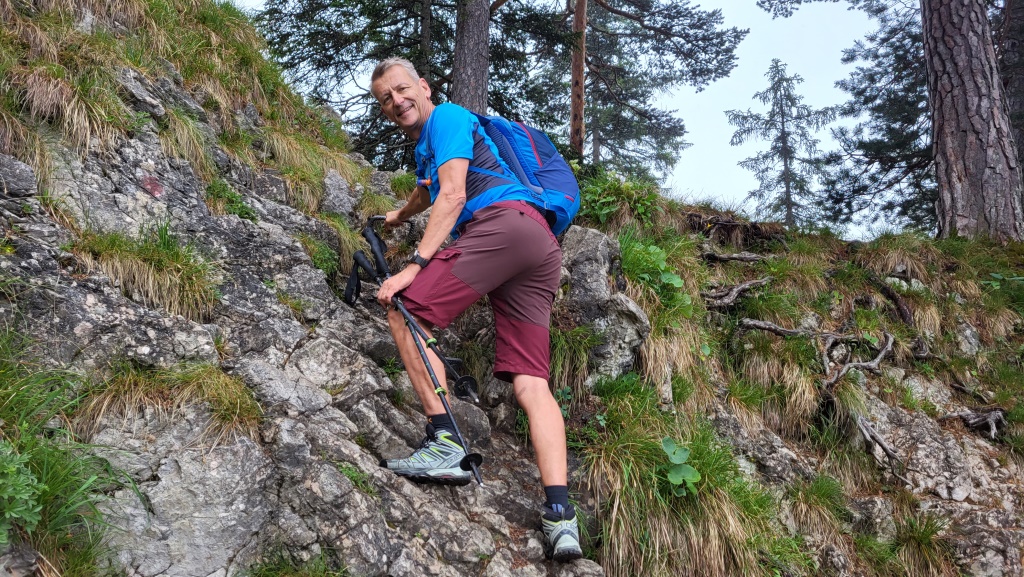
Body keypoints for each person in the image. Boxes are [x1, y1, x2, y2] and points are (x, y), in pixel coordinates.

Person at [369, 57, 582, 562]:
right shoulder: (434, 142)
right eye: (386, 99)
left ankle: (444, 441)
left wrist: (413, 267)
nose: (397, 101)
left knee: (405, 308)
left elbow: (454, 194)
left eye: (402, 89)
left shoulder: (447, 117)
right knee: (531, 382)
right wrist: (398, 215)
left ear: (424, 87)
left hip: (503, 225)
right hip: (539, 244)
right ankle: (561, 516)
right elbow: (430, 189)